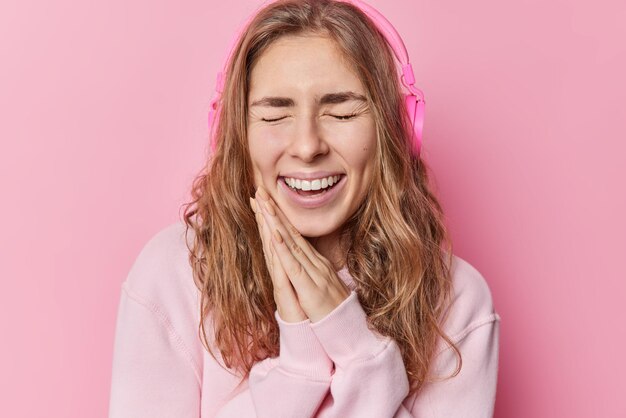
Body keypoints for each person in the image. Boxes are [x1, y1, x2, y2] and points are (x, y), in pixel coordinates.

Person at [108, 0, 501, 417]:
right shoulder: (171, 275)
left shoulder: (457, 301)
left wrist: (358, 349)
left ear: (396, 129)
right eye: (275, 115)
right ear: (235, 134)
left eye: (341, 112)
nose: (308, 146)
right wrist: (299, 369)